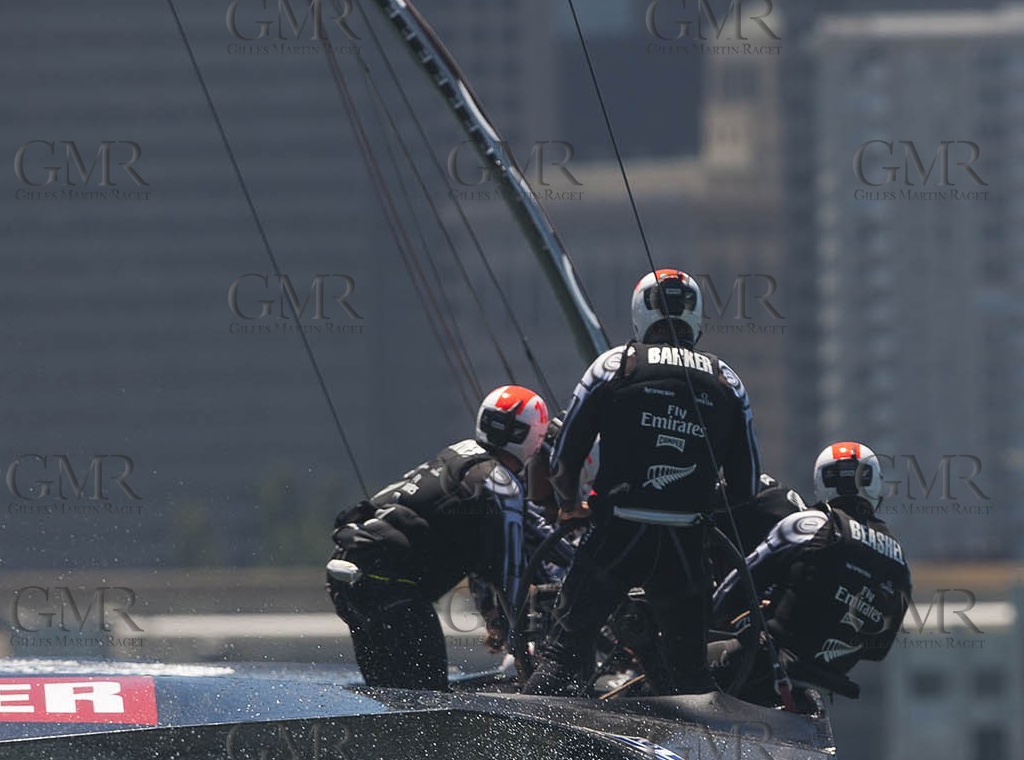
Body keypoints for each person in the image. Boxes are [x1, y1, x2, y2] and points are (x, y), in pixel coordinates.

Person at [522, 267, 762, 697]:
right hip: (686, 547)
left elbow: (563, 459)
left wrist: (568, 505)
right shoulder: (729, 381)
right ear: (696, 317)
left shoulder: (615, 365)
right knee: (690, 674)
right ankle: (701, 756)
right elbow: (745, 488)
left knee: (562, 655)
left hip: (616, 535)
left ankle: (522, 754)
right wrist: (697, 508)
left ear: (640, 313)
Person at [327, 386, 549, 689]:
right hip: (391, 588)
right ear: (535, 438)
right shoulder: (502, 484)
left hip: (349, 575)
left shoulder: (460, 452)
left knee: (389, 696)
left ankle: (390, 734)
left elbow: (479, 552)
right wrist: (524, 657)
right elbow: (512, 576)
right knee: (427, 697)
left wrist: (490, 614)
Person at [709, 441, 912, 704]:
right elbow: (878, 650)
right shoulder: (898, 558)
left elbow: (733, 588)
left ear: (821, 483)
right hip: (817, 686)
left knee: (669, 664)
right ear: (876, 485)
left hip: (760, 662)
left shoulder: (809, 522)